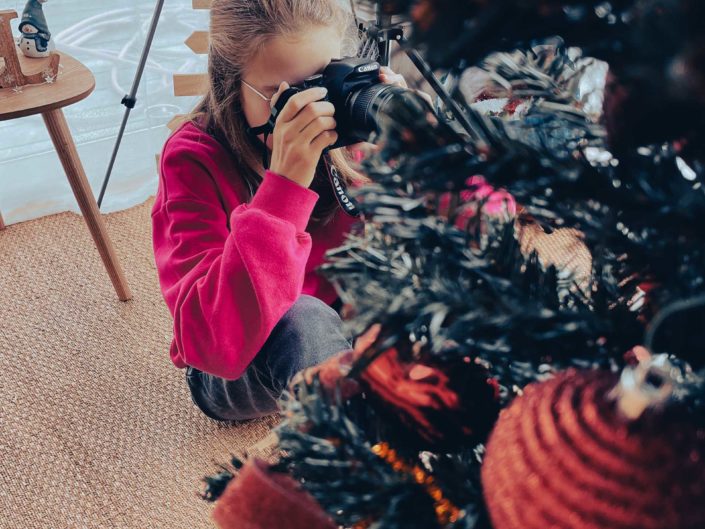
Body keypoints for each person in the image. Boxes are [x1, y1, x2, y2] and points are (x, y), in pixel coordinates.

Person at [151, 0, 416, 421]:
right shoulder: (191, 157)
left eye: (322, 85)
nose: (312, 113)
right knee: (304, 318)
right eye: (288, 96)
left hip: (346, 324)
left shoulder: (347, 134)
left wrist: (421, 151)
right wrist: (285, 188)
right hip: (239, 363)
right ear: (228, 82)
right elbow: (212, 343)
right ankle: (361, 460)